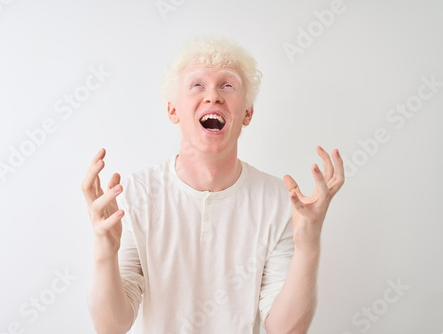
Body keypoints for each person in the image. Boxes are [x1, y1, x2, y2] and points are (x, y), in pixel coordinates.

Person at [82, 37, 344, 334]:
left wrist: (308, 247)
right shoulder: (135, 195)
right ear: (173, 111)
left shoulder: (279, 201)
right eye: (197, 85)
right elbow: (112, 326)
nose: (213, 96)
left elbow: (286, 330)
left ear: (247, 113)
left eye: (227, 86)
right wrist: (105, 252)